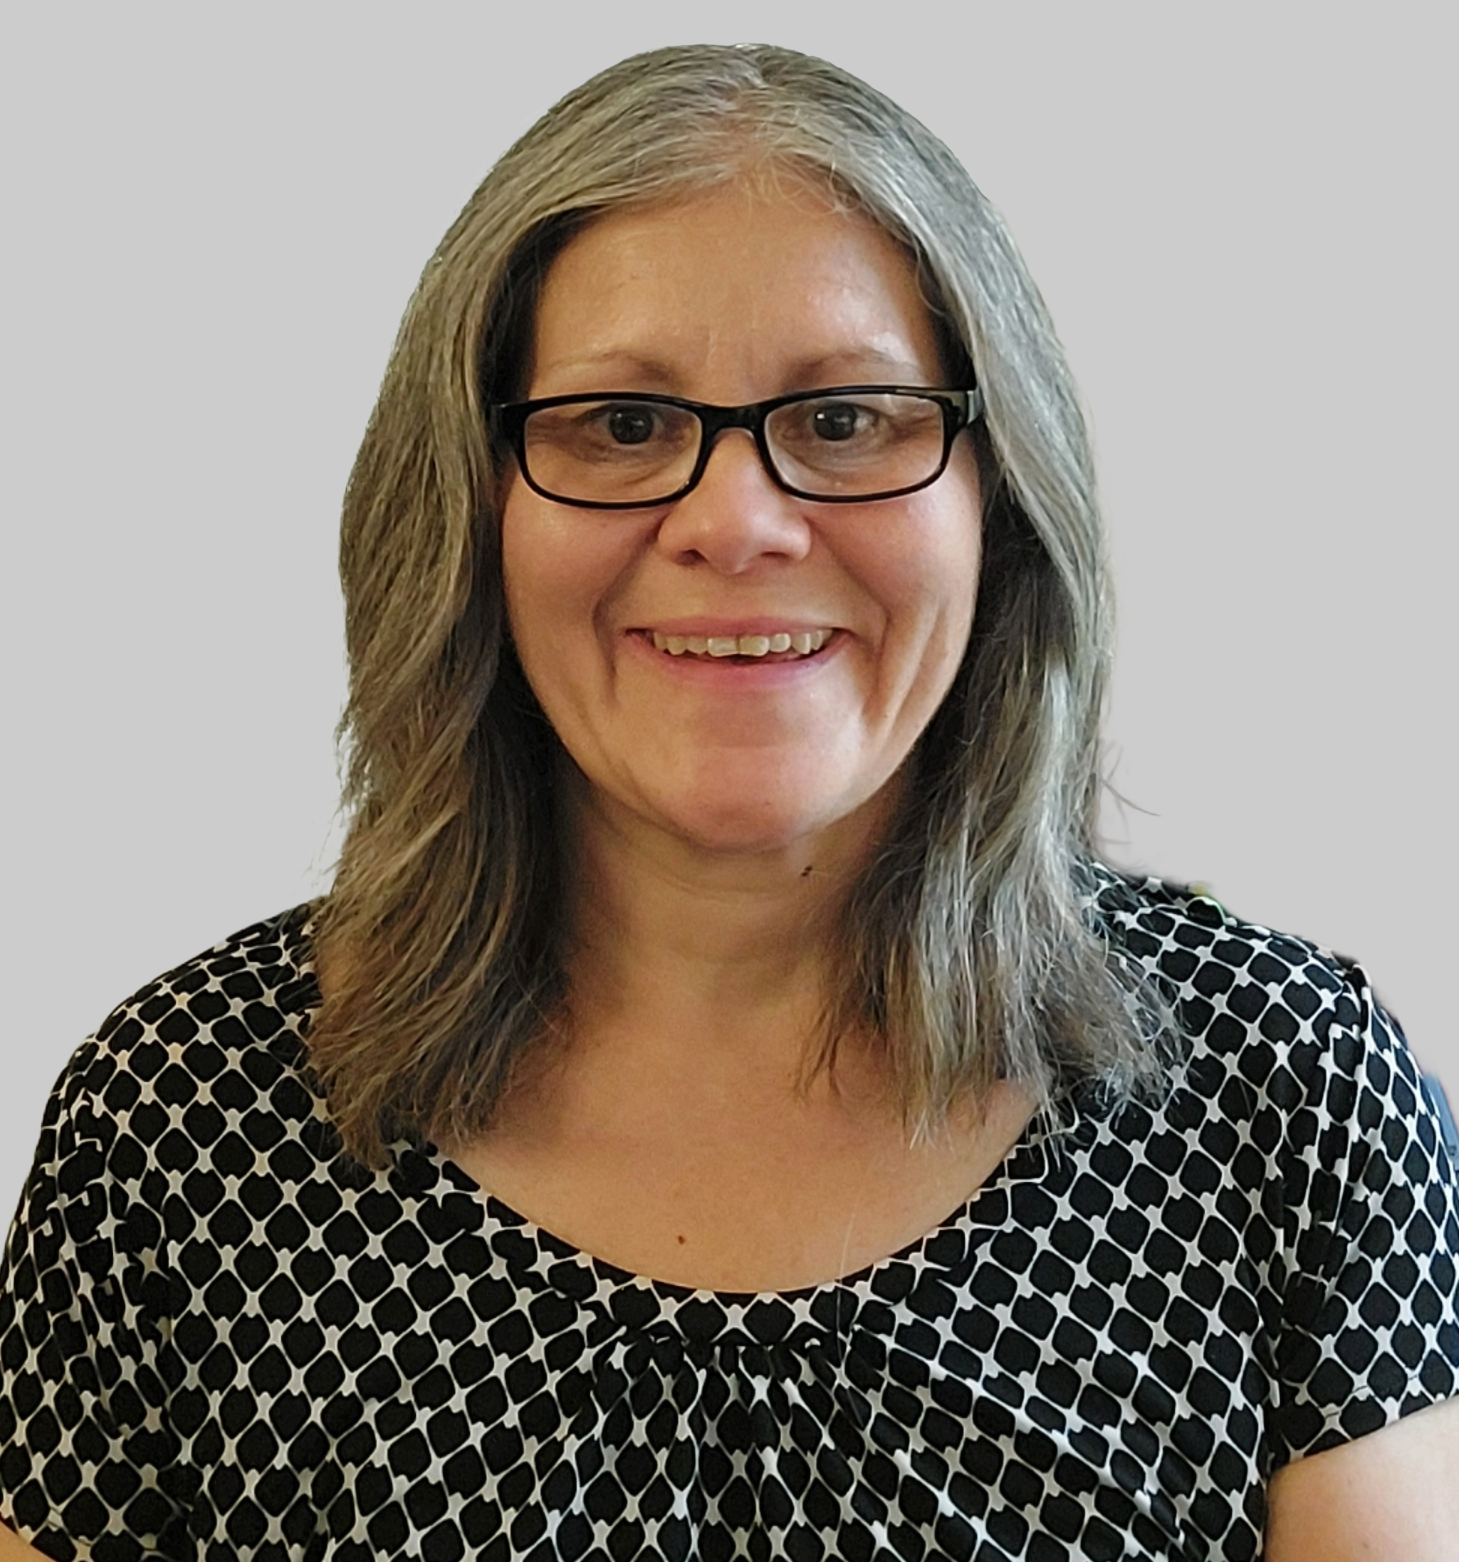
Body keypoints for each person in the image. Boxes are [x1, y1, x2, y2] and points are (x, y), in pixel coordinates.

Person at [1, 42, 1455, 1562]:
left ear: (999, 499)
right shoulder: (177, 1125)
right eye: (621, 423)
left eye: (845, 420)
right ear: (464, 508)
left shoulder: (1286, 1091)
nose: (735, 522)